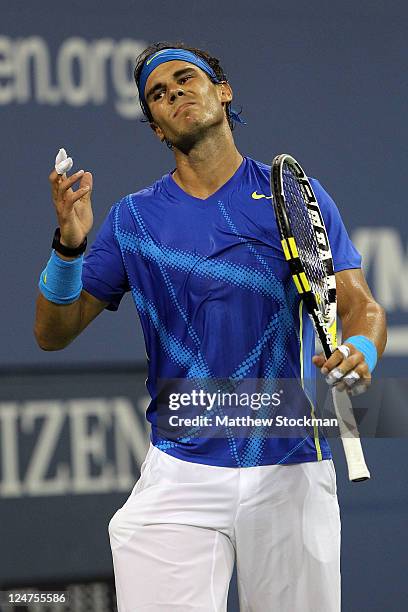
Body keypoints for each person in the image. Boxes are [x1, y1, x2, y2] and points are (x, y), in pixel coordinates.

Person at [35, 41, 387, 612]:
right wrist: (68, 248)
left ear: (223, 92)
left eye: (184, 79)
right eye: (157, 93)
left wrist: (361, 348)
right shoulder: (133, 218)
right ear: (155, 127)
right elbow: (53, 332)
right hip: (180, 472)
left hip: (288, 466)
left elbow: (359, 305)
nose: (173, 92)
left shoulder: (291, 197)